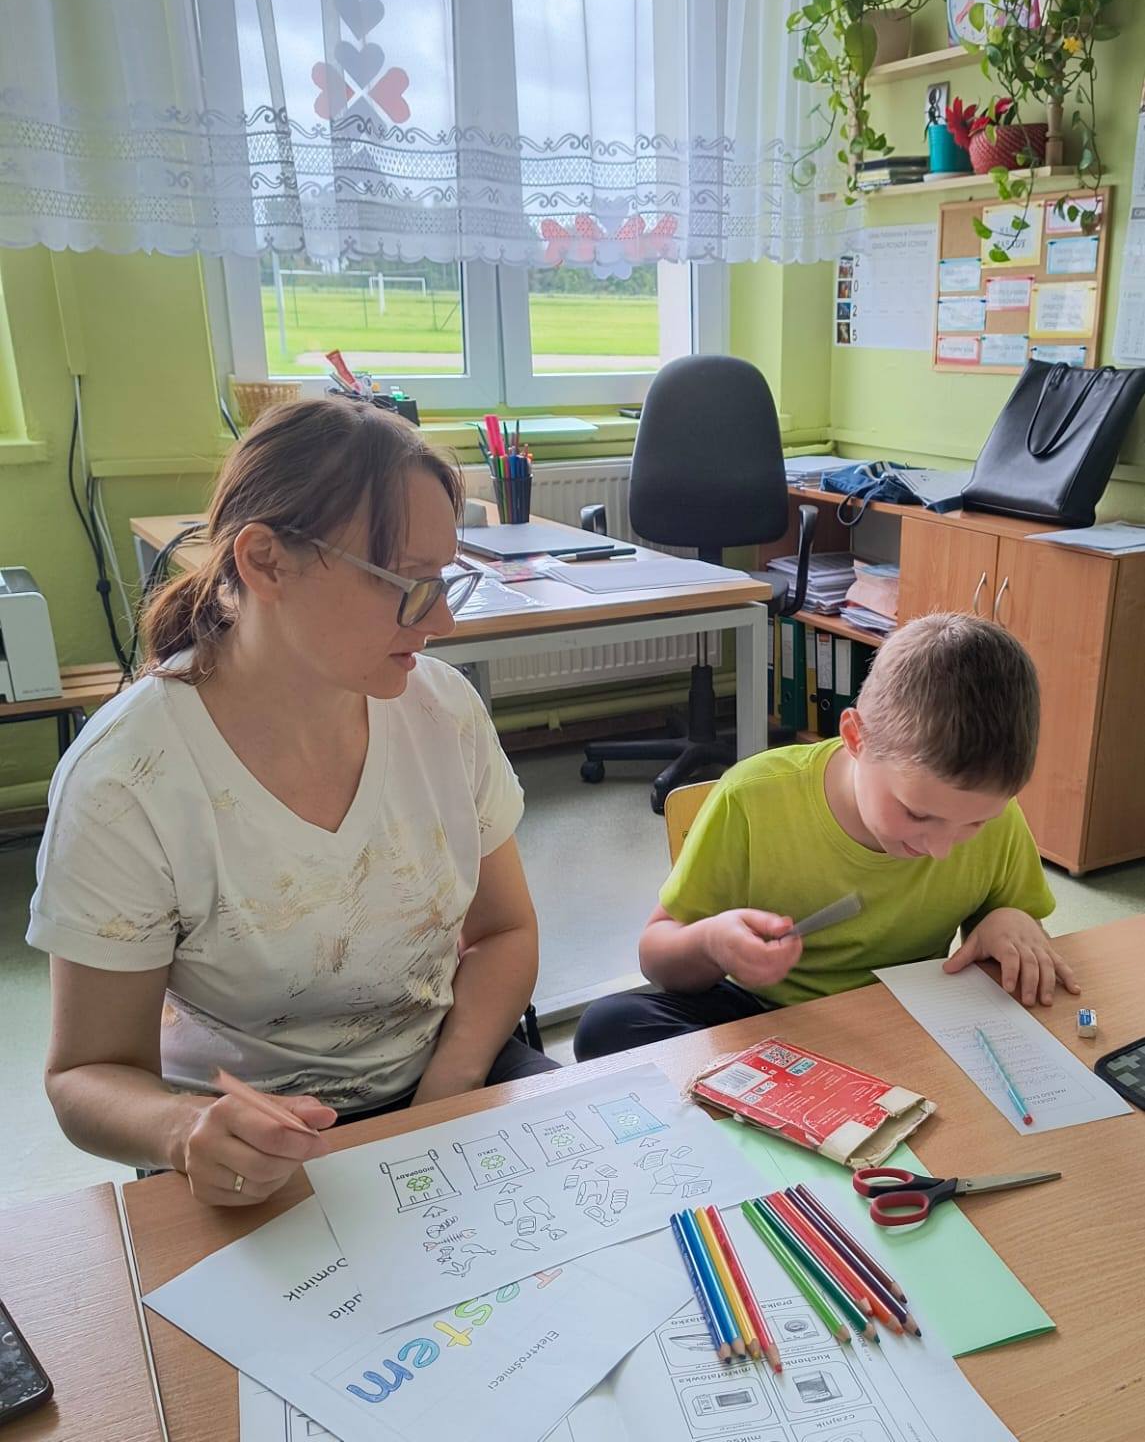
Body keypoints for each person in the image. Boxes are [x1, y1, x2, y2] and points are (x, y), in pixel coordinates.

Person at [29, 399, 556, 1207]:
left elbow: (504, 932)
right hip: (244, 1138)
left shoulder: (440, 710)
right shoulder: (128, 780)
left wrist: (440, 1101)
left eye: (446, 581)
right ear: (266, 562)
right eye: (408, 584)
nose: (442, 621)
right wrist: (183, 1132)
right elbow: (84, 1075)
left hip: (443, 1074)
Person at [575, 613, 1079, 1060]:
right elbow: (656, 955)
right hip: (762, 1016)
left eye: (976, 823)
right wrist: (713, 944)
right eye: (916, 814)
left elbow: (1017, 937)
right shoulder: (751, 800)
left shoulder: (996, 816)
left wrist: (1009, 920)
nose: (942, 848)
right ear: (856, 738)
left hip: (907, 1017)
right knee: (608, 1025)